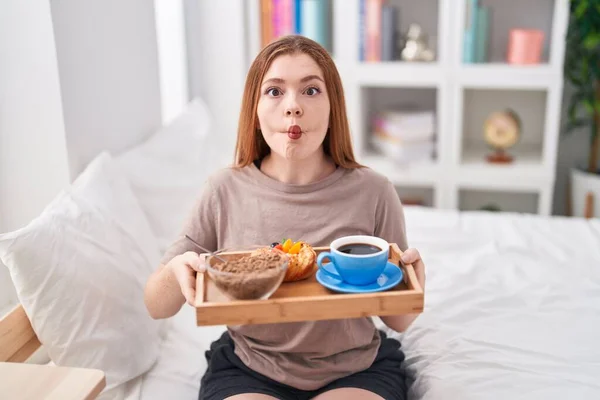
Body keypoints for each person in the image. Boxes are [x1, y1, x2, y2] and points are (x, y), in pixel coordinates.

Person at [144, 35, 426, 400]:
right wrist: (176, 270)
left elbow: (397, 319)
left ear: (332, 106)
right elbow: (155, 305)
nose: (293, 107)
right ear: (254, 108)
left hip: (357, 368)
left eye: (310, 91)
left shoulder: (374, 190)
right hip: (249, 367)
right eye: (275, 92)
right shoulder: (223, 189)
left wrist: (415, 284)